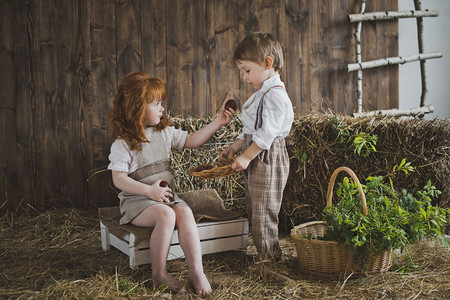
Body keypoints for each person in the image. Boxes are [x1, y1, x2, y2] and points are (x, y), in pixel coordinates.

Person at [107, 71, 235, 296]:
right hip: (138, 201)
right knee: (166, 215)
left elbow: (191, 141)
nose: (162, 109)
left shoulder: (164, 133)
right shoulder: (123, 144)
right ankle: (160, 274)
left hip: (165, 197)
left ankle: (196, 271)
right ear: (137, 108)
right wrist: (149, 191)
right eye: (156, 104)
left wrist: (218, 122)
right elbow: (118, 179)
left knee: (184, 212)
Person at [220, 32, 294, 261]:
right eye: (242, 71)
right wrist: (235, 148)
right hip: (257, 154)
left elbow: (267, 134)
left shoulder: (275, 96)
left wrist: (246, 157)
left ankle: (271, 260)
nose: (243, 77)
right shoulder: (262, 94)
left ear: (267, 63)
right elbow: (251, 131)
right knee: (255, 207)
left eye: (247, 70)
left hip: (268, 156)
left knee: (264, 211)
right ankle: (264, 254)